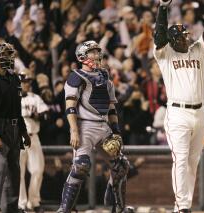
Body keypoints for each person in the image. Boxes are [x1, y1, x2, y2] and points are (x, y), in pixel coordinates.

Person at [153, 0, 204, 212]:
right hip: (178, 113)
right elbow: (159, 35)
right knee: (180, 160)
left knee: (193, 162)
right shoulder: (165, 54)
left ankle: (184, 205)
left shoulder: (198, 50)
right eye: (182, 36)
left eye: (186, 35)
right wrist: (163, 8)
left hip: (199, 112)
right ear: (172, 40)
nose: (186, 39)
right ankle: (182, 206)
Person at [56, 40, 133, 213]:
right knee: (81, 166)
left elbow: (112, 107)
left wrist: (116, 131)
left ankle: (118, 208)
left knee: (121, 166)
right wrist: (74, 130)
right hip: (85, 126)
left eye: (97, 52)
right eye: (92, 52)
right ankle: (65, 209)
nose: (97, 55)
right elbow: (70, 106)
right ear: (82, 56)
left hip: (103, 126)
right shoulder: (76, 76)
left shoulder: (105, 76)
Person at [0, 42, 31, 213]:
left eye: (8, 54)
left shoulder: (13, 78)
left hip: (13, 128)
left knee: (14, 170)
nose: (8, 58)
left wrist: (23, 130)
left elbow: (16, 108)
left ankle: (11, 209)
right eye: (3, 55)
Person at [18, 74, 49, 212]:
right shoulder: (12, 97)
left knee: (37, 170)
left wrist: (35, 115)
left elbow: (46, 114)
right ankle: (21, 204)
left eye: (28, 81)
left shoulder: (35, 97)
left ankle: (34, 201)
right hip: (17, 138)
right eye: (24, 81)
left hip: (33, 136)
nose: (26, 84)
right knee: (19, 172)